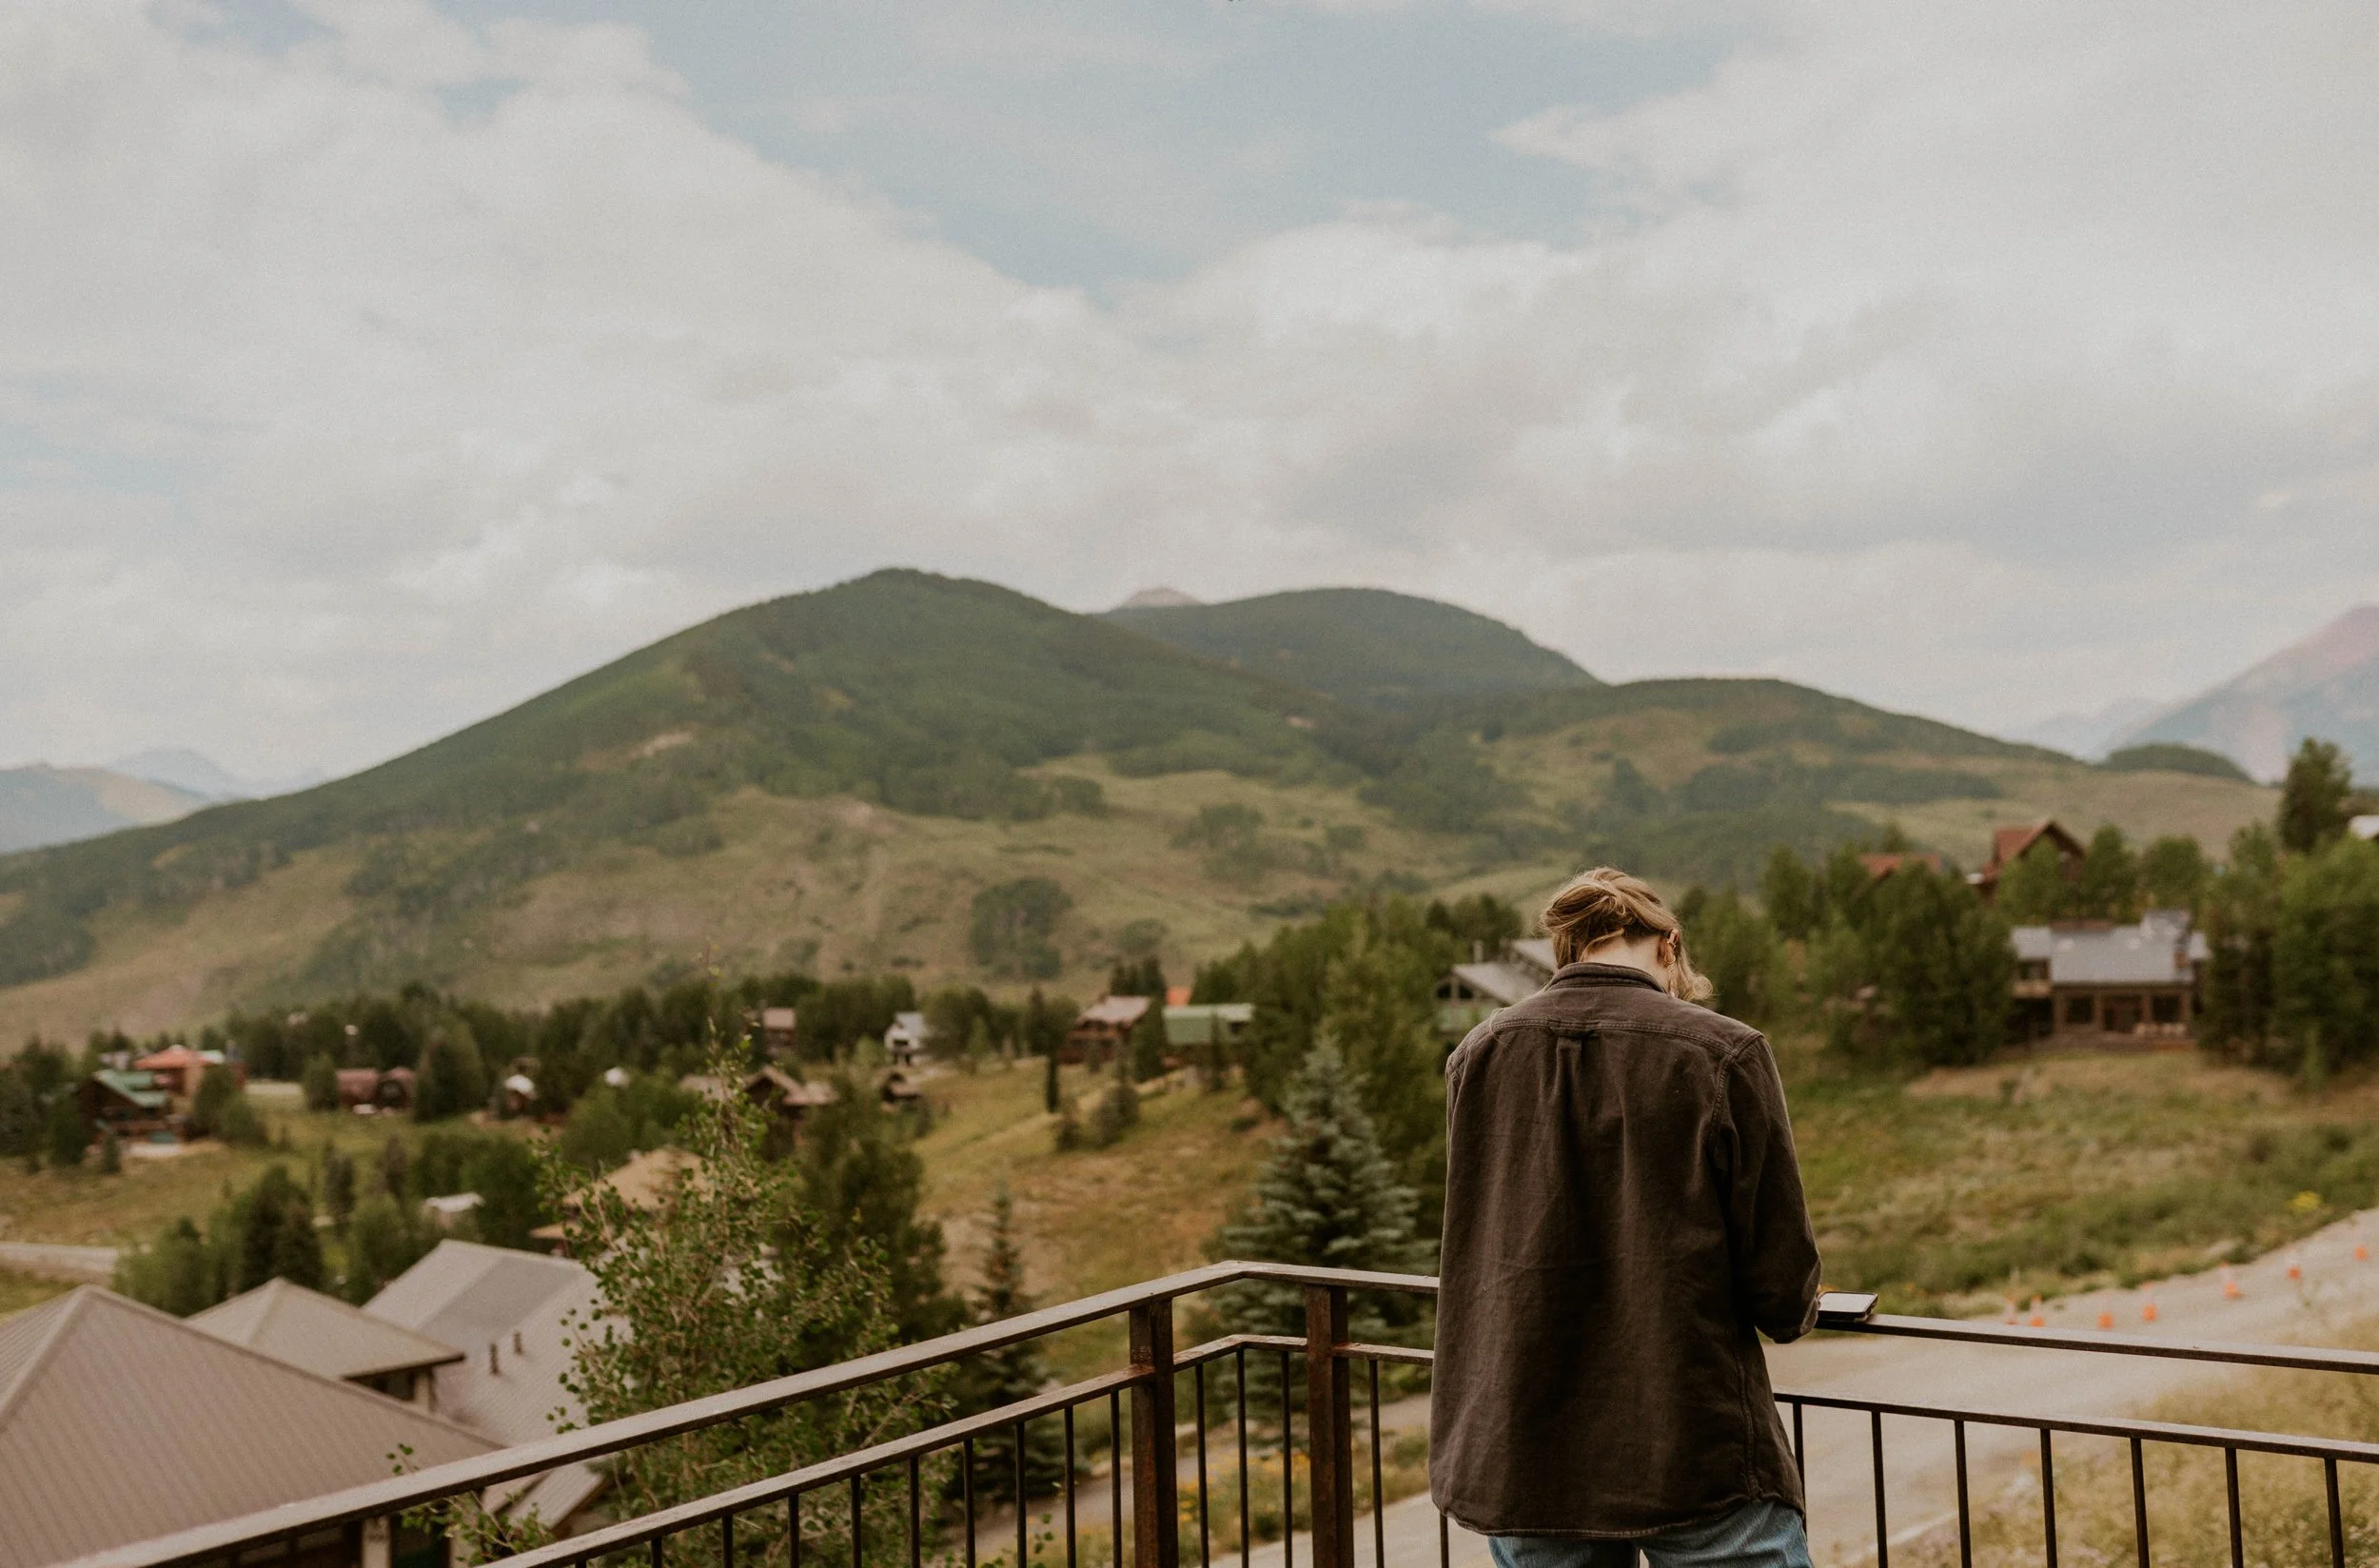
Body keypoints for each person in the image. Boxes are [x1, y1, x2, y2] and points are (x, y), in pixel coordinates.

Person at [1430, 868, 1822, 1568]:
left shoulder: (1479, 1054)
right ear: (1668, 946)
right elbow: (1779, 1280)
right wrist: (1798, 1310)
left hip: (1522, 1440)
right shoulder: (1724, 1051)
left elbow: (1477, 1233)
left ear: (1568, 951)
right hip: (1687, 1439)